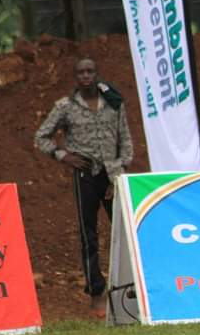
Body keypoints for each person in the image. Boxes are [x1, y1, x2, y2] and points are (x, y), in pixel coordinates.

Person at [35, 58, 133, 318]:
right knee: (88, 235)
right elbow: (41, 137)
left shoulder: (114, 102)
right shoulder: (66, 107)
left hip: (112, 176)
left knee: (124, 232)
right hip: (85, 175)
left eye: (90, 71)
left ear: (97, 74)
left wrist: (118, 172)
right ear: (75, 78)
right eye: (81, 72)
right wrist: (63, 156)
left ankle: (131, 287)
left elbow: (126, 140)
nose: (86, 76)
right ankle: (96, 292)